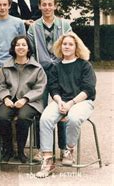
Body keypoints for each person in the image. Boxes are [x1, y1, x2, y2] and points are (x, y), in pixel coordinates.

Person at [36, 32, 96, 178]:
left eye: (70, 44)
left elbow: (88, 89)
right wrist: (59, 101)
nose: (67, 46)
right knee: (45, 119)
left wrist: (71, 103)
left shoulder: (85, 65)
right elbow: (53, 88)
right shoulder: (56, 67)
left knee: (73, 118)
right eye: (64, 44)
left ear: (76, 47)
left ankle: (69, 149)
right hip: (61, 101)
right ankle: (48, 160)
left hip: (82, 102)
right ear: (60, 47)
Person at [27, 0, 72, 158]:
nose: (47, 7)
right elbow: (30, 51)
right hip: (41, 71)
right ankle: (42, 149)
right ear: (39, 6)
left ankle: (63, 148)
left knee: (63, 108)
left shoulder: (64, 25)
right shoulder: (34, 27)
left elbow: (71, 46)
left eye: (50, 4)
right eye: (44, 4)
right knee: (41, 109)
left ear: (55, 6)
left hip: (62, 71)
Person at [0, 36, 47, 163]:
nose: (21, 47)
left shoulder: (37, 68)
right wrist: (6, 98)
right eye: (18, 45)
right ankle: (8, 150)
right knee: (1, 117)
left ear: (28, 48)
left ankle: (21, 151)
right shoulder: (6, 66)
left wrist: (25, 99)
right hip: (9, 100)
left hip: (30, 102)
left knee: (23, 117)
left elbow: (40, 88)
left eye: (24, 45)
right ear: (13, 48)